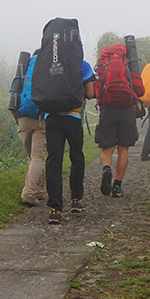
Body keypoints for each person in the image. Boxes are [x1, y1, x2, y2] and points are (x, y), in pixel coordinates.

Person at [44, 59, 96, 224]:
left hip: (51, 116)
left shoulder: (46, 62)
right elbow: (90, 93)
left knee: (54, 160)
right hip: (73, 116)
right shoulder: (82, 64)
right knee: (76, 156)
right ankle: (76, 200)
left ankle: (54, 209)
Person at [95, 44, 145, 198]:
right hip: (127, 110)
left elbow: (97, 89)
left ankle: (107, 168)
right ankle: (117, 186)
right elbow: (140, 90)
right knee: (123, 148)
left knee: (107, 148)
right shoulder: (129, 63)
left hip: (108, 110)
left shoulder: (102, 64)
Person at [15, 51, 47, 206]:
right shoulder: (47, 68)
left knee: (33, 158)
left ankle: (40, 190)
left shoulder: (24, 70)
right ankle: (29, 192)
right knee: (37, 157)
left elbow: (14, 95)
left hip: (23, 118)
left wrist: (17, 120)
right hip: (41, 119)